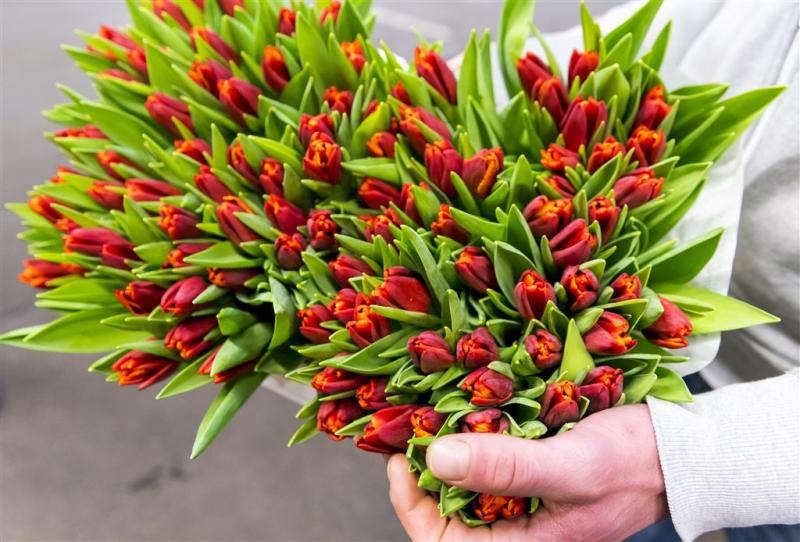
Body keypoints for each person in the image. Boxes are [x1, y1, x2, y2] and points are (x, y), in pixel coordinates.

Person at [386, 1, 800, 540]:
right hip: (658, 350)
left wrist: (685, 462)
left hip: (777, 438)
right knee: (587, 503)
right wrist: (417, 93)